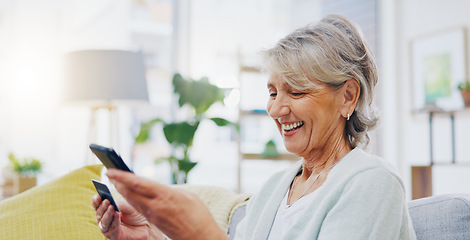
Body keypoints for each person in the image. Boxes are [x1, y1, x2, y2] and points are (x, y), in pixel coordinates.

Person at [92, 14, 416, 240]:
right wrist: (153, 237)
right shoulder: (276, 188)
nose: (275, 109)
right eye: (272, 92)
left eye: (297, 91)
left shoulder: (373, 184)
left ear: (348, 96)